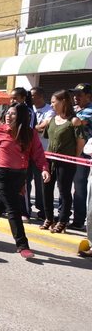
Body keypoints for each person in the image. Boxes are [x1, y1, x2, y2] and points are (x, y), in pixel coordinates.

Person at [0, 103, 50, 258]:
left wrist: (44, 169)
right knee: (13, 209)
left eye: (12, 113)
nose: (7, 115)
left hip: (20, 175)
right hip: (1, 175)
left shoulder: (30, 133)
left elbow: (38, 153)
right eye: (7, 112)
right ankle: (22, 245)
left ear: (21, 116)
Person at [40, 90, 85, 234]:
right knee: (46, 189)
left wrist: (73, 159)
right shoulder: (52, 120)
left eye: (54, 102)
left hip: (66, 161)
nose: (51, 105)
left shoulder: (74, 121)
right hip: (50, 159)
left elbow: (80, 143)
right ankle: (49, 218)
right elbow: (47, 138)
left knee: (64, 191)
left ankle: (62, 221)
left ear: (63, 101)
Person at [70, 83, 92, 230]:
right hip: (69, 153)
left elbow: (78, 123)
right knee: (68, 186)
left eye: (79, 95)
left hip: (84, 154)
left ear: (89, 96)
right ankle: (67, 216)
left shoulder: (90, 111)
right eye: (75, 94)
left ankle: (79, 220)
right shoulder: (73, 110)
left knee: (80, 187)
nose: (76, 97)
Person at [30, 87, 54, 221]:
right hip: (28, 150)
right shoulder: (29, 109)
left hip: (42, 151)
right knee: (26, 181)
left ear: (40, 96)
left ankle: (42, 211)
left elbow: (45, 127)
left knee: (41, 183)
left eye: (32, 95)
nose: (30, 98)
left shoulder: (49, 111)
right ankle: (25, 208)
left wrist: (28, 129)